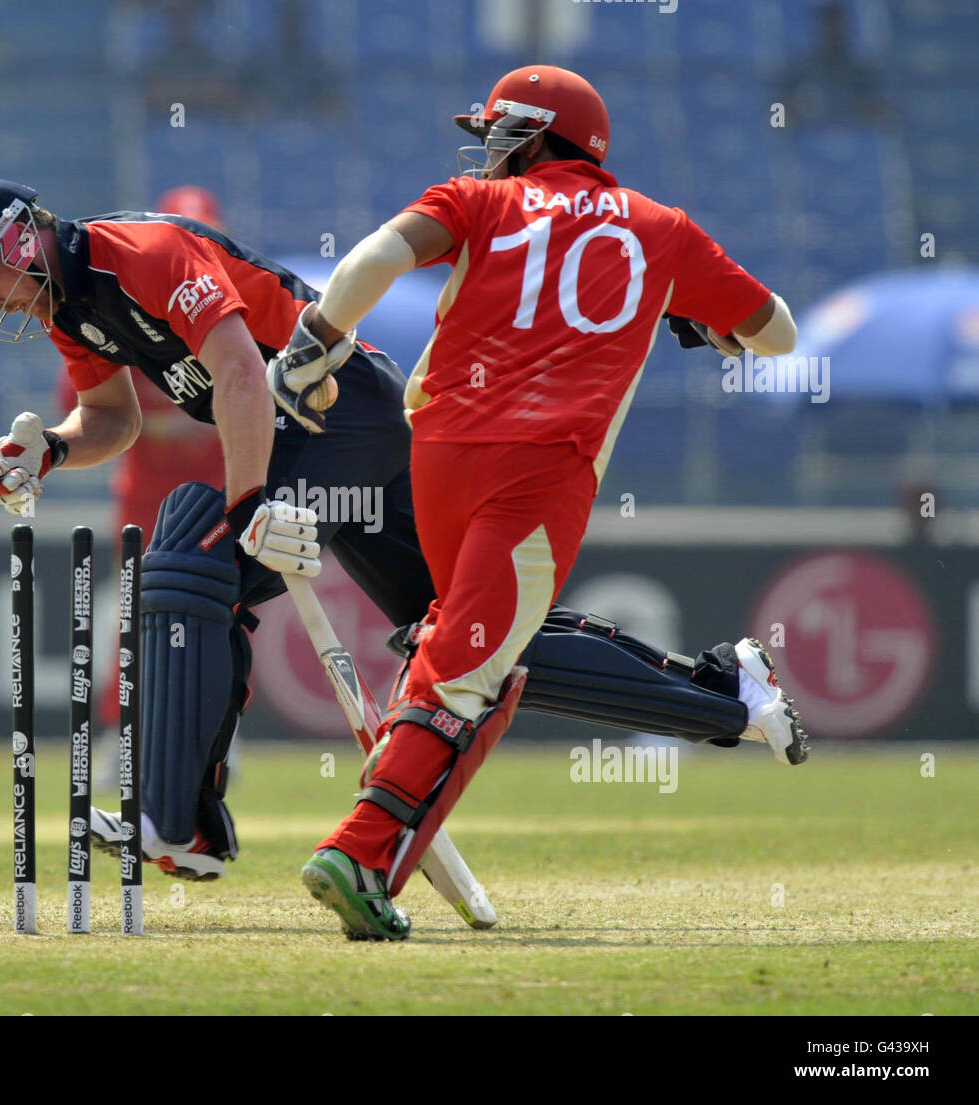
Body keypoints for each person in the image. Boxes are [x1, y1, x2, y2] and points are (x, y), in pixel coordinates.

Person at [0, 171, 803, 901]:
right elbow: (111, 417)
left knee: (194, 557)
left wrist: (247, 503)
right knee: (466, 637)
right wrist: (48, 450)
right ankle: (729, 693)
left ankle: (180, 820)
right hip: (323, 434)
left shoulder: (144, 252)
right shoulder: (69, 311)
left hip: (345, 416)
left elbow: (236, 372)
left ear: (17, 238)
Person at [268, 65, 807, 941]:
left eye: (497, 132)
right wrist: (711, 322)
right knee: (470, 665)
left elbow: (372, 258)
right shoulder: (662, 229)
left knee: (470, 654)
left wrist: (313, 342)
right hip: (542, 472)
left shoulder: (474, 203)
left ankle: (384, 858)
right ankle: (361, 851)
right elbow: (778, 333)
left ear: (538, 134)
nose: (486, 149)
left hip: (438, 451)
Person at [49, 187, 226, 784]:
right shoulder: (116, 306)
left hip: (215, 491)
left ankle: (213, 744)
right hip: (146, 499)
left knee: (218, 617)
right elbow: (87, 408)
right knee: (132, 617)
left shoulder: (220, 306)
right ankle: (117, 734)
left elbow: (248, 402)